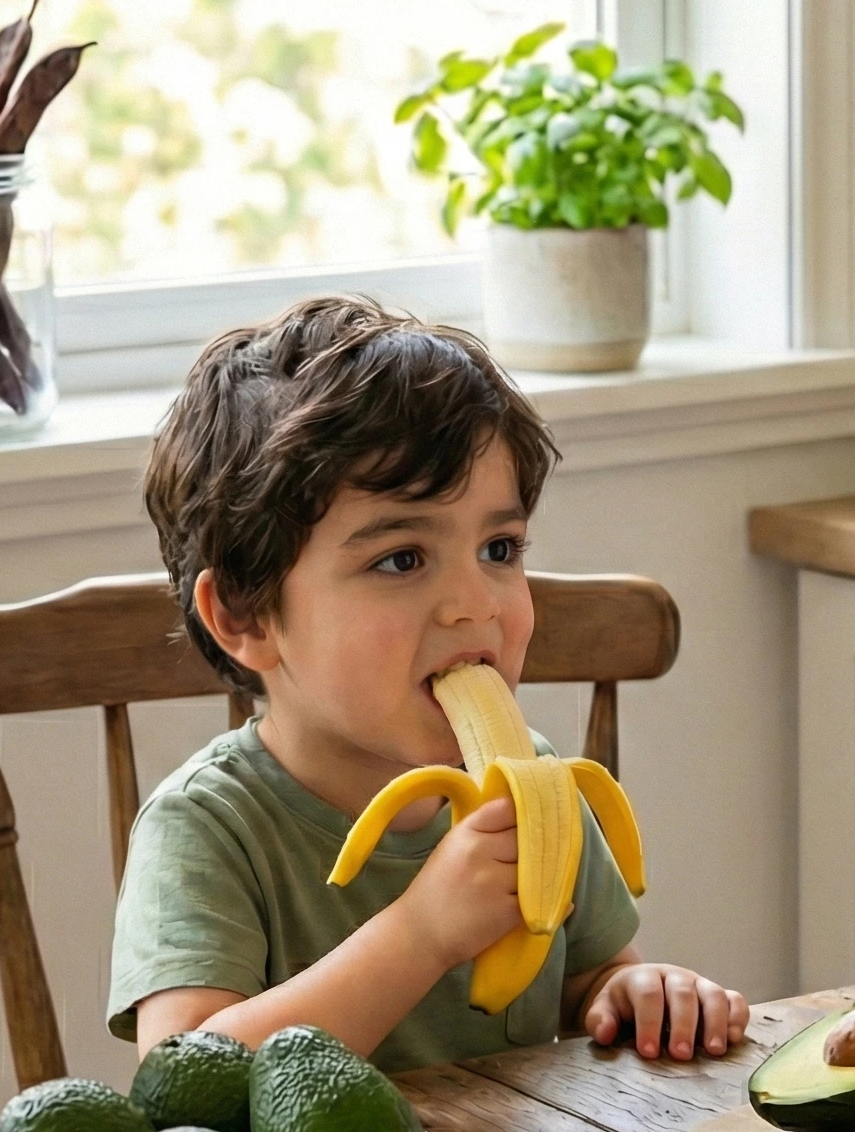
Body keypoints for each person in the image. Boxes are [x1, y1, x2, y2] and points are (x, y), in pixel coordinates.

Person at [109, 296, 748, 1069]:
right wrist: (418, 936)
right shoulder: (208, 829)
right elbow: (181, 1077)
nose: (476, 604)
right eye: (402, 559)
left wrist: (636, 991)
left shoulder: (537, 788)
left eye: (501, 549)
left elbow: (594, 983)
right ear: (246, 615)